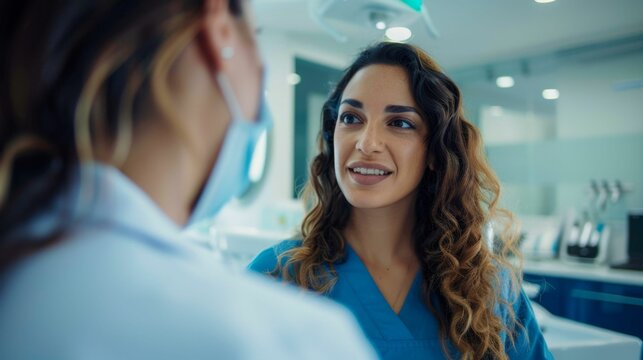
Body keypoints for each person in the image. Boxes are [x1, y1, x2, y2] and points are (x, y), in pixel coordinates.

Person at [0, 1, 377, 359]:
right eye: (256, 33)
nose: (368, 144)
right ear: (219, 29)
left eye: (401, 123)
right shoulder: (292, 341)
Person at [249, 42, 554, 360]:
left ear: (435, 152)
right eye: (351, 118)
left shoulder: (489, 289)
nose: (366, 143)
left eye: (400, 123)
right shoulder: (276, 276)